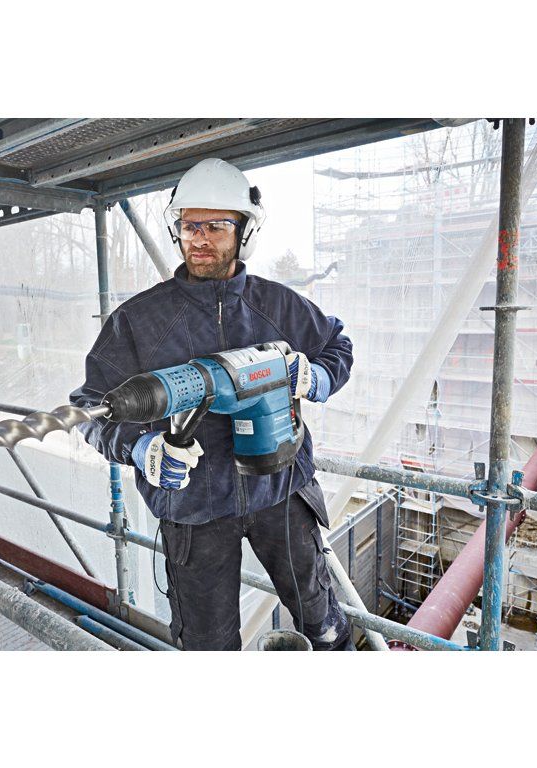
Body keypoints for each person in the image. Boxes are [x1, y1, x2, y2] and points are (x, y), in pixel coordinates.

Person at [70, 158, 353, 651]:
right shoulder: (139, 320)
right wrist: (140, 447)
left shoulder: (279, 305)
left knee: (321, 620)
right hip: (193, 507)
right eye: (189, 226)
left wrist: (317, 376)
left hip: (282, 488)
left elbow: (337, 346)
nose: (198, 239)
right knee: (208, 644)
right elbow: (89, 407)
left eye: (216, 226)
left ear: (244, 232)